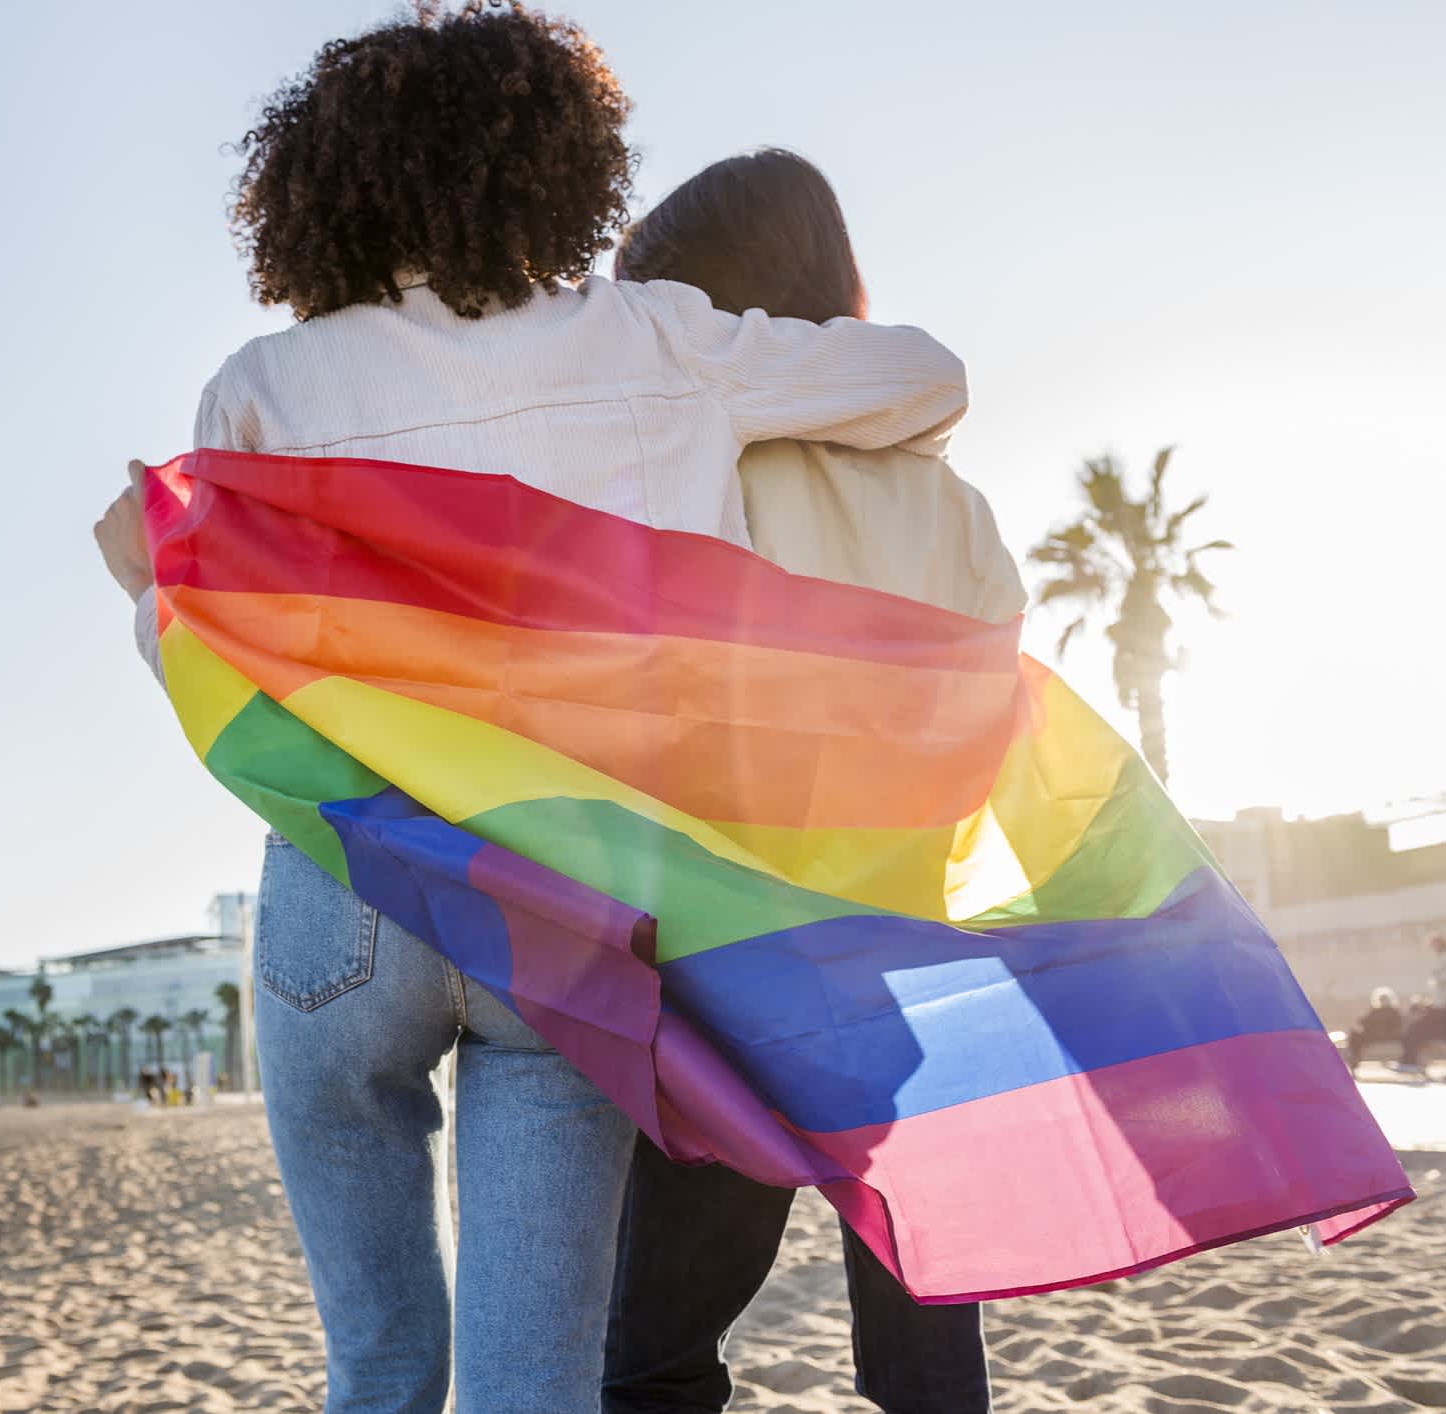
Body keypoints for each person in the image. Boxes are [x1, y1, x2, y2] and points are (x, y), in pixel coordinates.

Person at [93, 9, 968, 1411]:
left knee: (376, 1364)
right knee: (534, 1383)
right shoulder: (660, 337)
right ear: (563, 165)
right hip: (569, 898)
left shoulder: (261, 386)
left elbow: (199, 651)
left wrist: (148, 584)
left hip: (345, 888)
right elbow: (926, 377)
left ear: (321, 186)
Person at [601, 149, 1010, 1414]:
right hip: (902, 955)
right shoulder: (954, 502)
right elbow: (982, 726)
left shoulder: (700, 481)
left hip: (736, 964)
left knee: (658, 1353)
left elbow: (656, 716)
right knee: (925, 1321)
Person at [1396, 934, 1446, 1078]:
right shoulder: (1445, 958)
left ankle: (1412, 1062)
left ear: (1441, 944)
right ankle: (1413, 1062)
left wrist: (1439, 976)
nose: (1433, 949)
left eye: (1434, 945)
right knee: (1431, 1032)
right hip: (1444, 1005)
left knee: (1445, 1034)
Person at [1345, 987, 1403, 1071]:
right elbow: (1364, 1021)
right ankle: (1354, 1058)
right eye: (1381, 999)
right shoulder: (1377, 1011)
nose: (1382, 1001)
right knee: (1354, 1034)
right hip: (1373, 1035)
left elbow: (1367, 1022)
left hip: (1381, 1036)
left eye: (1384, 999)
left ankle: (1354, 1059)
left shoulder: (1392, 1012)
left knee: (1355, 1036)